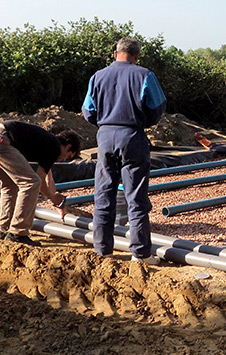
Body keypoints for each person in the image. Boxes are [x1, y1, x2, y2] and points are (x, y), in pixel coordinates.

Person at [82, 37, 166, 265]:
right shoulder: (144, 75)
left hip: (106, 137)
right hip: (132, 136)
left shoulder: (97, 76)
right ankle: (140, 254)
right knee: (136, 197)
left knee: (104, 193)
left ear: (115, 53)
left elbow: (89, 111)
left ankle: (102, 250)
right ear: (137, 56)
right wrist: (141, 122)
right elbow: (157, 108)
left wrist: (107, 124)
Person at [0, 120, 81, 246]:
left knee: (9, 184)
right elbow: (40, 181)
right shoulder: (53, 147)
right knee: (30, 182)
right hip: (0, 138)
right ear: (68, 146)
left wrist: (57, 203)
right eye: (68, 156)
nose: (64, 159)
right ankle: (18, 232)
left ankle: (4, 229)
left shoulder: (46, 143)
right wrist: (52, 197)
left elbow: (48, 178)